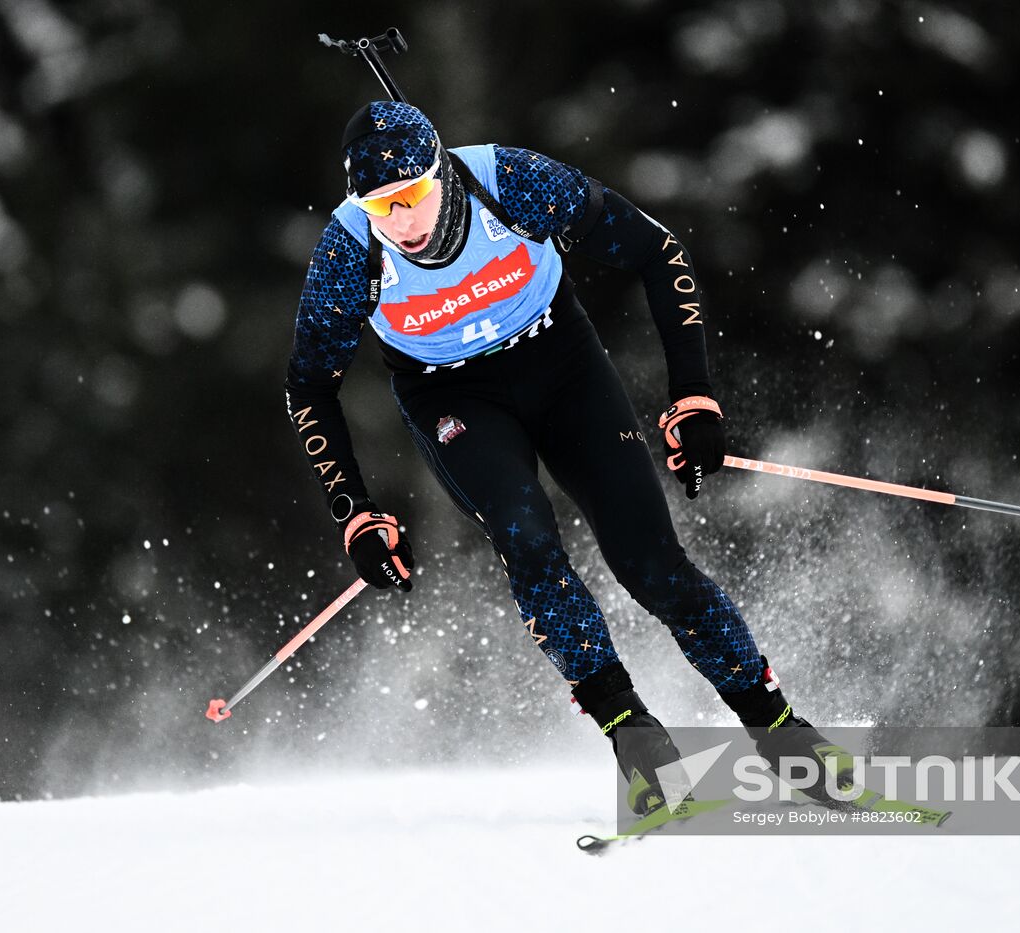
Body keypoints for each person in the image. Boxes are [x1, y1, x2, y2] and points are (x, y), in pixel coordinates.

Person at [285, 100, 843, 815]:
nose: (402, 221)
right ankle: (634, 735)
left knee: (652, 565)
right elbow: (308, 386)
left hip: (562, 363)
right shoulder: (349, 249)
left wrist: (695, 396)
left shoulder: (508, 182)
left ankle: (781, 734)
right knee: (526, 535)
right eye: (381, 205)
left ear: (442, 174)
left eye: (414, 195)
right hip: (452, 396)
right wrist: (354, 511)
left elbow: (656, 248)